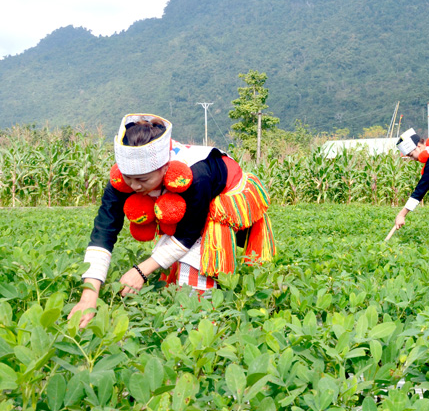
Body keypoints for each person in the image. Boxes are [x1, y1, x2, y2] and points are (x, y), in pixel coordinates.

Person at [68, 114, 276, 328]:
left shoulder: (197, 175)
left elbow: (189, 233)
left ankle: (203, 322)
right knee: (169, 256)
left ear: (165, 168)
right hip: (185, 199)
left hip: (221, 194)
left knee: (193, 264)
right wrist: (88, 296)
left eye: (142, 180)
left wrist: (141, 271)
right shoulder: (126, 177)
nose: (135, 186)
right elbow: (104, 231)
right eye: (128, 178)